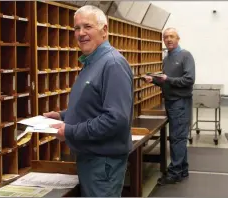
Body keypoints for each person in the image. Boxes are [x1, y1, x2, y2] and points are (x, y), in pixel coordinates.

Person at [43, 5, 134, 197]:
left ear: (104, 30)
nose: (81, 33)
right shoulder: (92, 61)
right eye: (77, 28)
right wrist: (63, 116)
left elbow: (115, 120)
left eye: (87, 27)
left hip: (103, 163)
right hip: (91, 159)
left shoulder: (113, 64)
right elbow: (94, 106)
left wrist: (70, 131)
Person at [144, 27, 195, 185]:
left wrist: (167, 79)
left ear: (178, 38)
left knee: (176, 138)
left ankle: (174, 173)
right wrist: (154, 80)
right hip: (171, 101)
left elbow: (189, 80)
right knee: (178, 137)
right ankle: (182, 169)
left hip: (180, 102)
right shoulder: (166, 58)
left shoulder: (186, 55)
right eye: (165, 37)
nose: (168, 39)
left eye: (172, 36)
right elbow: (167, 82)